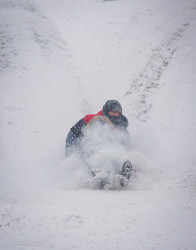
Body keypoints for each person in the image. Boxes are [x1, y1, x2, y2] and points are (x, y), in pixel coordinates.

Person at [65, 100, 133, 187]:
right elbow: (73, 133)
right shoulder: (91, 119)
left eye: (117, 113)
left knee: (115, 155)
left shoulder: (121, 125)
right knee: (96, 157)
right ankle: (99, 176)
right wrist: (69, 151)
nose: (115, 115)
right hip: (89, 148)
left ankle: (122, 174)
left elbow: (126, 143)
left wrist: (128, 153)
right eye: (113, 112)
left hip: (111, 150)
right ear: (107, 111)